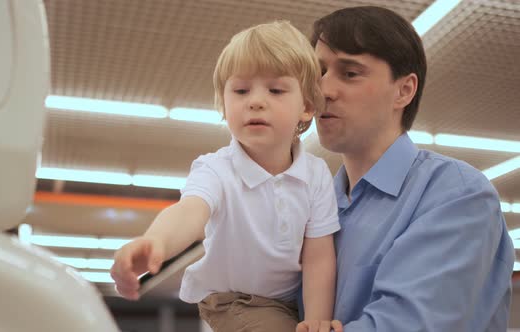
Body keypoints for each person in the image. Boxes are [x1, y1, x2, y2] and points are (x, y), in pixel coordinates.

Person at [112, 21, 344, 332]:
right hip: (236, 300)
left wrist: (316, 320)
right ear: (223, 103)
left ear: (306, 107)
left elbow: (319, 256)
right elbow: (190, 212)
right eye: (240, 90)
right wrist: (157, 241)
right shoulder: (217, 169)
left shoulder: (315, 174)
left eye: (276, 90)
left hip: (291, 300)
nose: (255, 100)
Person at [297, 6, 515, 332]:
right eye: (319, 72)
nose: (324, 90)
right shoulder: (314, 204)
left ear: (404, 90)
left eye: (350, 73)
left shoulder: (456, 194)